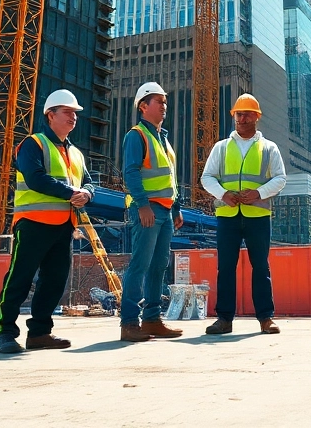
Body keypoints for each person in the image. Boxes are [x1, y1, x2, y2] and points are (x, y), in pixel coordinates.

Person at [0, 89, 95, 354]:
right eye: (68, 112)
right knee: (20, 278)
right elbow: (35, 177)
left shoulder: (76, 153)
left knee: (55, 280)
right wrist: (71, 193)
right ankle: (4, 333)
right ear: (50, 115)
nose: (73, 117)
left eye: (75, 113)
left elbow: (88, 181)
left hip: (64, 225)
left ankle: (39, 333)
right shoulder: (33, 144)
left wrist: (87, 193)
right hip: (33, 222)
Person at [201, 93, 288, 334]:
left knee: (260, 266)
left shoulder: (268, 148)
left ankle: (265, 318)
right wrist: (223, 195)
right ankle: (225, 319)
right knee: (225, 268)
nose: (242, 118)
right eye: (238, 114)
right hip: (227, 216)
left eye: (247, 113)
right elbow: (207, 177)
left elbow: (280, 178)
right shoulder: (221, 147)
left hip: (257, 215)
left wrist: (259, 193)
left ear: (257, 117)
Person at [118, 82, 184, 342]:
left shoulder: (164, 139)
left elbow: (171, 178)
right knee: (140, 264)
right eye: (159, 101)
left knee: (158, 266)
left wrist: (176, 207)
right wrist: (143, 205)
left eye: (165, 101)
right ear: (143, 106)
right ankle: (129, 322)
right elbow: (131, 172)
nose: (164, 106)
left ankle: (152, 320)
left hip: (166, 211)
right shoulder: (136, 135)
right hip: (147, 209)